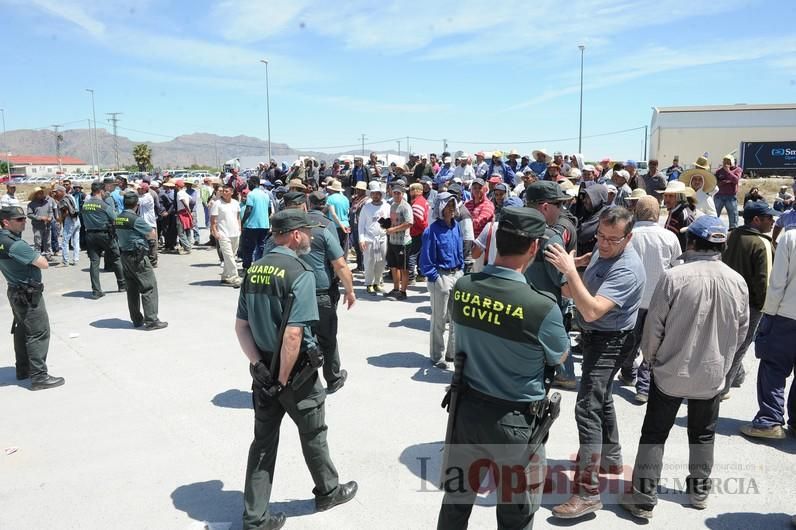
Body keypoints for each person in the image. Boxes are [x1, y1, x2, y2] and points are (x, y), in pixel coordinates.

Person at [437, 206, 569, 529]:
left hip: (466, 413)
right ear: (534, 248)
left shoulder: (464, 287)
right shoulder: (541, 307)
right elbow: (561, 356)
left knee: (455, 504)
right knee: (516, 515)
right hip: (518, 423)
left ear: (497, 239)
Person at [619, 216, 749, 518]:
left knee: (654, 433)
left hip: (669, 371)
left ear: (691, 243)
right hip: (712, 373)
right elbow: (741, 332)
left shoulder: (674, 277)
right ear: (722, 244)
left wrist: (650, 360)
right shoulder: (737, 281)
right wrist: (725, 365)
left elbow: (654, 328)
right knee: (703, 434)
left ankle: (643, 497)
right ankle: (699, 491)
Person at [236, 209, 357, 530]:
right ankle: (328, 491)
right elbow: (293, 334)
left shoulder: (254, 270)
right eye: (304, 232)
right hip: (295, 375)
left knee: (262, 444)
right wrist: (282, 378)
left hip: (262, 374)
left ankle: (254, 519)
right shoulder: (299, 271)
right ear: (293, 235)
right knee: (314, 432)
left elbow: (241, 326)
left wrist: (259, 366)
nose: (308, 237)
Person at [546, 207, 645, 519]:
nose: (603, 244)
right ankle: (611, 458)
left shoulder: (627, 268)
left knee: (587, 407)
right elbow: (573, 290)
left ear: (628, 238)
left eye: (612, 240)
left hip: (611, 340)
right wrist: (574, 268)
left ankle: (587, 493)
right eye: (600, 236)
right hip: (596, 338)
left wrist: (571, 272)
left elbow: (591, 311)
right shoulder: (603, 253)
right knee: (600, 399)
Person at [621, 196, 682, 402]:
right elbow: (677, 269)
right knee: (653, 344)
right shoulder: (669, 237)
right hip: (659, 300)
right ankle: (644, 386)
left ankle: (628, 370)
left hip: (633, 299)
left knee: (631, 339)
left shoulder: (630, 235)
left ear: (637, 211)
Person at [0, 206, 65, 390]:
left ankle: (23, 369)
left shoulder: (2, 240)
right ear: (6, 222)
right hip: (28, 293)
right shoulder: (16, 244)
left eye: (23, 218)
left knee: (22, 331)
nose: (24, 222)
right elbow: (43, 263)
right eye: (19, 220)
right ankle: (39, 377)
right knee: (38, 332)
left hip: (14, 290)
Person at [740, 228, 796, 440]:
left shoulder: (791, 237)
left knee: (773, 368)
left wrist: (768, 314)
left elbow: (777, 283)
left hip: (786, 315)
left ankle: (769, 421)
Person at [721, 200, 778, 398]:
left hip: (726, 298)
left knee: (726, 341)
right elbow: (765, 282)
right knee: (741, 345)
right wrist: (767, 310)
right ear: (756, 220)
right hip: (751, 305)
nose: (773, 221)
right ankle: (723, 388)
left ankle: (736, 376)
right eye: (769, 218)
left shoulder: (733, 235)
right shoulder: (762, 243)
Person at [524, 181, 576, 389]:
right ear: (545, 207)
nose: (562, 210)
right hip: (545, 311)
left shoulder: (515, 229)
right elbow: (566, 289)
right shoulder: (551, 237)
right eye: (559, 205)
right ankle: (565, 375)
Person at [304, 191, 356, 393]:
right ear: (325, 205)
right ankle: (333, 378)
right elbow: (339, 262)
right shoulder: (326, 227)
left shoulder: (296, 226)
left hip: (300, 290)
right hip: (322, 289)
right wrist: (349, 290)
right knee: (327, 337)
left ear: (308, 204)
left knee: (305, 337)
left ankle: (306, 382)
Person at [419, 192, 463, 369]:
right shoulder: (431, 230)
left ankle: (451, 353)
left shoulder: (457, 226)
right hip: (441, 276)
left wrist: (461, 271)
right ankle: (437, 355)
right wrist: (435, 277)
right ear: (440, 208)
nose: (451, 209)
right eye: (448, 205)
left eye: (453, 205)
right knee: (439, 318)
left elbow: (460, 248)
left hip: (456, 273)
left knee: (456, 318)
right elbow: (426, 259)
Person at [114, 192, 167, 330]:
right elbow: (151, 234)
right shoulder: (135, 219)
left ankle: (136, 319)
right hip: (138, 256)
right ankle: (151, 320)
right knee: (148, 287)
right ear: (137, 205)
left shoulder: (118, 218)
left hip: (125, 256)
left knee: (131, 289)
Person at [81, 181, 126, 299]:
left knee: (94, 263)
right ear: (101, 191)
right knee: (116, 258)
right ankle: (122, 285)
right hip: (105, 235)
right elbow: (115, 218)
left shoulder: (85, 205)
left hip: (90, 235)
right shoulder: (104, 205)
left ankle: (96, 291)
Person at [359, 181, 390, 293]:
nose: (375, 196)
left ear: (381, 194)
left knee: (381, 262)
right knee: (369, 261)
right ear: (370, 195)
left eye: (377, 193)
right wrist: (361, 239)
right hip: (369, 238)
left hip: (382, 238)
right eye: (373, 193)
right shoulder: (366, 207)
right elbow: (361, 225)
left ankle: (377, 282)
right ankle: (369, 283)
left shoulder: (386, 206)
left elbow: (389, 220)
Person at [384, 181, 413, 300]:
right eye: (394, 193)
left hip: (403, 242)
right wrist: (386, 225)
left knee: (404, 268)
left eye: (398, 193)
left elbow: (409, 223)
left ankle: (403, 291)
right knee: (393, 266)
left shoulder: (406, 206)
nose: (396, 195)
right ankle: (396, 289)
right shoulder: (392, 205)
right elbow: (392, 221)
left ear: (402, 194)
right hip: (392, 241)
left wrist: (394, 229)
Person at [210, 183, 243, 287]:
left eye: (226, 191)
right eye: (222, 191)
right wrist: (215, 232)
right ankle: (234, 277)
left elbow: (238, 217)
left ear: (232, 192)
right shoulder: (217, 204)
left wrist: (239, 228)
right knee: (229, 256)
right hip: (223, 234)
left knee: (231, 256)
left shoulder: (236, 203)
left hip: (235, 233)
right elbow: (213, 220)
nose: (224, 193)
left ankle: (225, 276)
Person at [240, 176, 272, 269]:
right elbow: (269, 210)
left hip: (252, 226)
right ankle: (260, 267)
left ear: (254, 183)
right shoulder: (265, 194)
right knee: (261, 247)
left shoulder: (251, 194)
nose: (248, 185)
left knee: (248, 248)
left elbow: (249, 209)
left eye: (249, 183)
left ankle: (247, 268)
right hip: (264, 225)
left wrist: (242, 222)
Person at [662, 180, 696, 251]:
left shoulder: (684, 214)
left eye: (671, 196)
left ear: (679, 197)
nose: (667, 199)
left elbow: (688, 243)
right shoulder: (673, 211)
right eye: (665, 195)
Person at [407, 182, 429, 283]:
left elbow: (420, 220)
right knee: (420, 254)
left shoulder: (416, 204)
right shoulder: (423, 201)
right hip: (423, 231)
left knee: (412, 254)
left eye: (411, 190)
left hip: (417, 232)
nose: (410, 192)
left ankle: (411, 277)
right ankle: (421, 275)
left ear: (416, 191)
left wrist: (424, 228)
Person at [26, 187, 55, 260]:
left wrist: (50, 217)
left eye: (42, 193)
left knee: (47, 241)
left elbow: (50, 211)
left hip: (47, 225)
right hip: (37, 226)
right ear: (36, 195)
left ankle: (48, 255)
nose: (41, 194)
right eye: (39, 193)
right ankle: (37, 256)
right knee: (38, 241)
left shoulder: (46, 202)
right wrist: (40, 218)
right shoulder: (31, 204)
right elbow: (29, 214)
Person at [54, 185, 80, 266]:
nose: (56, 194)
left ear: (61, 191)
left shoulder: (63, 201)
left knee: (65, 241)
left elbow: (65, 213)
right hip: (77, 219)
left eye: (57, 192)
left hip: (70, 221)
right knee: (76, 240)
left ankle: (65, 261)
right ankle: (75, 259)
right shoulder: (71, 196)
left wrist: (60, 220)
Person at [714, 154, 742, 229]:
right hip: (719, 196)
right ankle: (713, 229)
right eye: (724, 161)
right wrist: (726, 182)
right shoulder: (718, 171)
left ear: (732, 162)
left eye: (728, 161)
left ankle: (732, 232)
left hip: (731, 196)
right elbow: (715, 183)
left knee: (733, 216)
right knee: (714, 215)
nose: (725, 163)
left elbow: (736, 180)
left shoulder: (737, 170)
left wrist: (728, 171)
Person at [325, 179, 350, 255]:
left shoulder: (330, 198)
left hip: (335, 225)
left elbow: (333, 214)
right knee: (344, 247)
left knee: (335, 248)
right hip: (346, 224)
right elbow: (347, 212)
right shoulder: (346, 199)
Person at [174, 179, 193, 254]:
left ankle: (187, 248)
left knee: (180, 232)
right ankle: (188, 246)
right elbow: (191, 201)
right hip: (186, 213)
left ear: (177, 186)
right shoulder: (185, 193)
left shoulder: (179, 193)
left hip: (182, 213)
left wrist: (189, 210)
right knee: (187, 230)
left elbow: (184, 202)